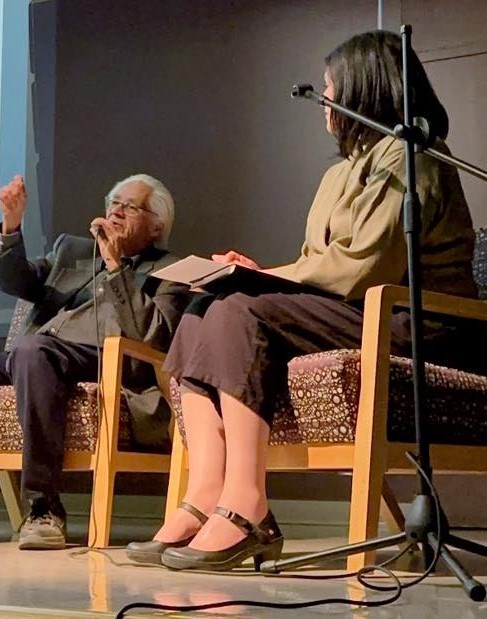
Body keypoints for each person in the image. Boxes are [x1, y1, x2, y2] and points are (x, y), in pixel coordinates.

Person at [126, 31, 478, 571]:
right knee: (199, 315)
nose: (325, 102)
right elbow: (318, 263)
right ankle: (203, 497)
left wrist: (260, 277)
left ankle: (247, 502)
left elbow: (362, 267)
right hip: (358, 310)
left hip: (415, 322)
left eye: (333, 88)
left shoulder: (411, 157)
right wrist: (245, 275)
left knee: (238, 309)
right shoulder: (338, 173)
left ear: (366, 89)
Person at [0, 173, 191, 550]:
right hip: (30, 359)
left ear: (156, 225)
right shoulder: (72, 251)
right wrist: (11, 226)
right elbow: (18, 281)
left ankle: (43, 506)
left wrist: (116, 267)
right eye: (113, 202)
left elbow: (152, 332)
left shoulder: (169, 271)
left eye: (130, 206)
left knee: (33, 350)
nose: (116, 211)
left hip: (102, 364)